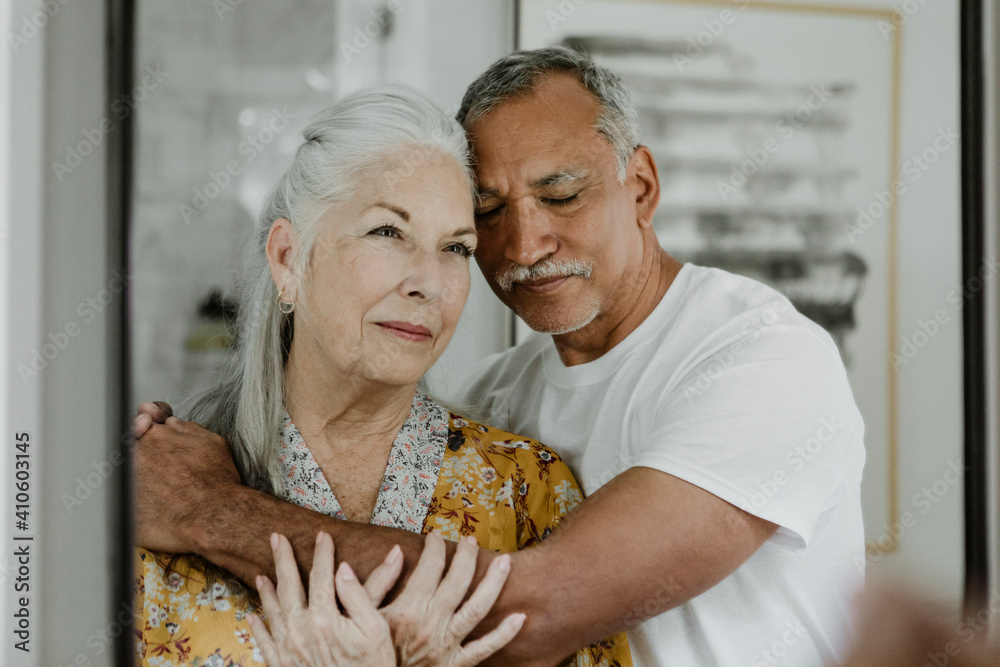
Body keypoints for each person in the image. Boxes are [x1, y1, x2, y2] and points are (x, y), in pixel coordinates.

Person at [134, 47, 866, 665]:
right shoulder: (495, 400)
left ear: (640, 186)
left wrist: (208, 510)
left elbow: (536, 608)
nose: (521, 245)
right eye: (486, 217)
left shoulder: (760, 362)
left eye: (562, 194)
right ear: (289, 259)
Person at [131, 86, 630, 666]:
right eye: (387, 232)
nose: (430, 281)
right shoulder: (153, 487)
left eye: (456, 248)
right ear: (289, 259)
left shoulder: (528, 493)